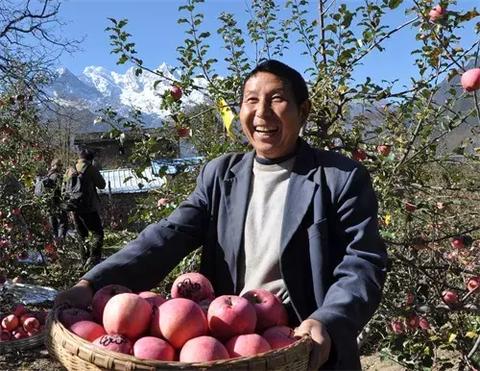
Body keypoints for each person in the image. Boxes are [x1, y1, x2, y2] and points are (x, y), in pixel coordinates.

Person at [55, 60, 387, 370]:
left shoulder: (339, 178)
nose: (262, 112)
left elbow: (362, 262)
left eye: (276, 99)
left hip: (303, 343)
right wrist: (94, 282)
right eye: (251, 100)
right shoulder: (221, 175)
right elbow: (168, 235)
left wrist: (328, 320)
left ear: (303, 111)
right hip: (230, 346)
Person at [67, 149, 106, 268]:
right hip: (89, 207)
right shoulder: (90, 168)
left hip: (74, 207)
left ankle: (84, 259)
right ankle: (93, 260)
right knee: (97, 233)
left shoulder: (70, 169)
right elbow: (102, 185)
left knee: (81, 235)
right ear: (90, 159)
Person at [45, 158, 68, 241]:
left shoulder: (47, 176)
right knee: (63, 221)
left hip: (49, 203)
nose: (61, 167)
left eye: (61, 165)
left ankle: (55, 240)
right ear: (53, 166)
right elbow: (63, 190)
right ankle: (61, 241)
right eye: (59, 165)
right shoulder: (58, 176)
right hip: (58, 202)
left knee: (53, 222)